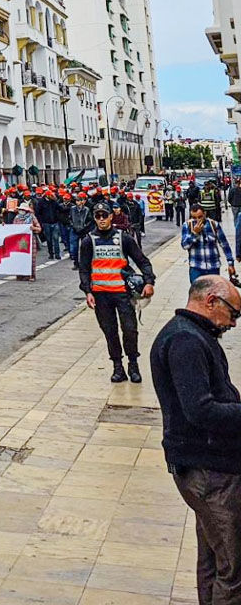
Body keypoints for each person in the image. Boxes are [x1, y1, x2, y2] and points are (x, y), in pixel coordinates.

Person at [151, 276, 241, 602]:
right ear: (211, 302)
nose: (233, 322)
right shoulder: (185, 342)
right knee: (233, 567)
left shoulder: (194, 335)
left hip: (211, 467)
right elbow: (200, 411)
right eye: (233, 313)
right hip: (208, 471)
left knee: (214, 557)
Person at [79, 202, 155, 384]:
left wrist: (149, 282)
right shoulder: (89, 241)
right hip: (101, 295)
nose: (101, 219)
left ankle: (133, 364)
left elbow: (143, 261)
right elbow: (83, 269)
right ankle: (117, 367)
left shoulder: (124, 238)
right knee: (110, 332)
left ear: (111, 216)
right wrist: (87, 291)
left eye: (104, 215)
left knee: (130, 330)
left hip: (122, 294)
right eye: (98, 216)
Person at [183, 201, 237, 284]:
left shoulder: (213, 224)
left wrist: (230, 263)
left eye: (200, 217)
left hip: (213, 267)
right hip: (196, 267)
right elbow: (185, 245)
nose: (197, 220)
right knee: (198, 294)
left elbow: (224, 245)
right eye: (194, 218)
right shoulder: (187, 225)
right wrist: (195, 234)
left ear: (205, 214)